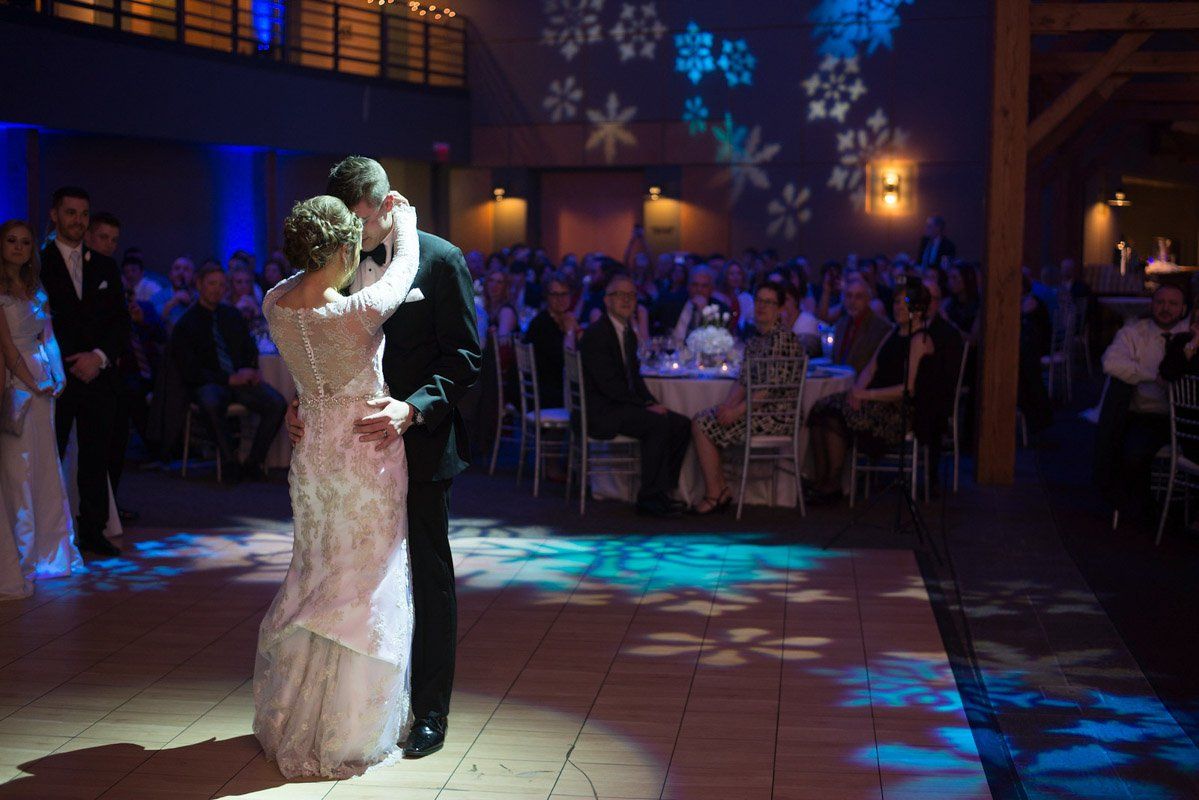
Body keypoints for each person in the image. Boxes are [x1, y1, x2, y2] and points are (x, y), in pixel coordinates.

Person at [285, 156, 481, 761]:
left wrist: (412, 408)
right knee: (354, 578)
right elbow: (320, 343)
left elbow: (466, 358)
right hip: (349, 459)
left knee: (426, 574)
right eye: (348, 227)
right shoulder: (336, 262)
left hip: (417, 446)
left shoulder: (442, 260)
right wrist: (302, 402)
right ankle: (364, 708)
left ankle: (430, 711)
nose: (355, 240)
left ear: (389, 203)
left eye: (364, 225)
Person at [254, 194, 419, 778]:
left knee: (316, 572)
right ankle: (349, 727)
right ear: (343, 247)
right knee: (364, 581)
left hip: (314, 459)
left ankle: (293, 714)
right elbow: (403, 271)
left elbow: (304, 288)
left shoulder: (276, 303)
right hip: (365, 457)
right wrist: (406, 222)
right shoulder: (355, 311)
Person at [40, 187, 128, 557]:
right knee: (52, 452)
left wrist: (99, 356)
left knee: (96, 455)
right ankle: (49, 534)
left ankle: (92, 529)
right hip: (55, 375)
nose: (78, 220)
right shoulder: (38, 261)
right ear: (55, 215)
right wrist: (65, 361)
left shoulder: (105, 265)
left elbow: (119, 321)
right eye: (70, 213)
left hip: (97, 373)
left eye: (83, 214)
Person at [806, 282, 939, 505]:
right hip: (875, 401)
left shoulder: (920, 340)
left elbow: (908, 389)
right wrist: (856, 391)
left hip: (898, 411)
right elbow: (871, 368)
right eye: (896, 302)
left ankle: (833, 484)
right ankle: (823, 480)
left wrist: (866, 396)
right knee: (821, 408)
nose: (898, 308)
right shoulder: (894, 333)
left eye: (904, 303)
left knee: (835, 416)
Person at [0, 219, 80, 584]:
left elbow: (48, 335)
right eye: (11, 241)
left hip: (43, 381)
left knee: (47, 465)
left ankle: (51, 549)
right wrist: (31, 382)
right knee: (19, 467)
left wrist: (58, 374)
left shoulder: (35, 288)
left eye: (25, 242)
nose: (18, 247)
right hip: (14, 381)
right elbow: (8, 347)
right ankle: (22, 554)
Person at [578, 274, 691, 518]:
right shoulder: (597, 334)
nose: (627, 300)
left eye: (632, 296)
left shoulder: (627, 332)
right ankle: (650, 499)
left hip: (620, 406)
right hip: (602, 411)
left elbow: (634, 378)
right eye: (621, 295)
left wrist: (651, 402)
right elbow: (608, 385)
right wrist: (645, 407)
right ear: (607, 301)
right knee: (657, 424)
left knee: (682, 424)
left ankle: (663, 491)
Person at [691, 283, 803, 514]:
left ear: (780, 308)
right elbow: (743, 382)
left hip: (776, 415)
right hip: (758, 410)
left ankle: (716, 493)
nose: (762, 306)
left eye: (769, 302)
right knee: (705, 418)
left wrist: (736, 411)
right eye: (759, 301)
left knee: (701, 424)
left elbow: (768, 389)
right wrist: (727, 405)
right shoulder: (756, 339)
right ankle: (720, 489)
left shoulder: (781, 339)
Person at [171, 264, 286, 483]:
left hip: (239, 381)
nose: (217, 289)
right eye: (212, 284)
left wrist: (250, 369)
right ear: (199, 284)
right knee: (210, 402)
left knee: (277, 403)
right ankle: (229, 462)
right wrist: (227, 378)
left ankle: (253, 462)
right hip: (209, 382)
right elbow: (190, 370)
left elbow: (249, 348)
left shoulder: (232, 315)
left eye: (222, 285)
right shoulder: (186, 323)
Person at [1099, 283, 1189, 514]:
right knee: (1134, 451)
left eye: (1172, 304)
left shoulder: (1191, 335)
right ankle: (1144, 507)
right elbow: (1111, 363)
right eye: (1160, 302)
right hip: (1148, 414)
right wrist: (1154, 377)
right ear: (1151, 305)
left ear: (1183, 308)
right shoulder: (1134, 333)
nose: (1165, 308)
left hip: (1186, 418)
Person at [523, 272, 578, 409]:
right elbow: (567, 363)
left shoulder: (565, 320)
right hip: (546, 393)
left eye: (564, 294)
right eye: (555, 294)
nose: (560, 299)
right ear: (547, 297)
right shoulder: (541, 324)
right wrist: (571, 332)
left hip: (556, 387)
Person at [830, 277, 893, 374]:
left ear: (868, 300)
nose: (852, 301)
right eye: (849, 296)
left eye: (858, 297)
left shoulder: (880, 328)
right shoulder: (841, 324)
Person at [671, 265, 731, 343]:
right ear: (688, 286)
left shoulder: (721, 310)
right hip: (674, 350)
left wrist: (704, 312)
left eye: (704, 286)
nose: (699, 289)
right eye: (695, 285)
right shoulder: (673, 303)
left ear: (711, 289)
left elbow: (717, 341)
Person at [943, 263, 981, 343]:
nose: (950, 282)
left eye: (954, 278)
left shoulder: (978, 307)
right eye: (949, 278)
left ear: (966, 279)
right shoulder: (948, 303)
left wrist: (949, 323)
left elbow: (973, 340)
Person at [158, 256, 197, 329]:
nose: (181, 272)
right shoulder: (158, 297)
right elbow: (154, 324)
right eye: (177, 268)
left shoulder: (201, 298)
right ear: (170, 275)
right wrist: (173, 301)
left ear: (193, 276)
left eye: (186, 269)